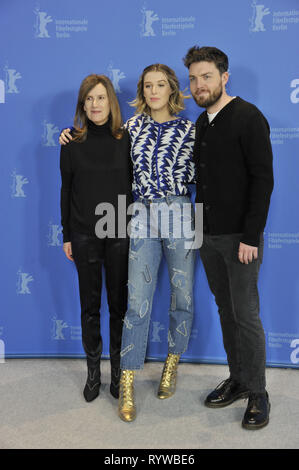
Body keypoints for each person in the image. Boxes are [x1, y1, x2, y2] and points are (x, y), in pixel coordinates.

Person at [60, 64, 196, 423]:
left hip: (180, 211)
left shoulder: (189, 130)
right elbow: (96, 138)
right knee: (136, 300)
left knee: (183, 294)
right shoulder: (130, 129)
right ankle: (128, 380)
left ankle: (172, 361)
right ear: (141, 91)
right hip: (141, 214)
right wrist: (66, 133)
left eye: (161, 85)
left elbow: (207, 172)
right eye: (147, 86)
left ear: (172, 90)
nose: (154, 91)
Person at [183, 46, 274, 430]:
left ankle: (258, 394)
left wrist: (251, 236)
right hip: (209, 236)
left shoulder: (249, 118)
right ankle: (238, 379)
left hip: (241, 238)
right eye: (193, 78)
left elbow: (263, 180)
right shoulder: (204, 121)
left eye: (206, 76)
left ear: (224, 76)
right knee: (226, 311)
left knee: (246, 315)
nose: (199, 84)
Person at [59, 74, 132, 403]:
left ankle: (117, 372)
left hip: (119, 231)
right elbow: (66, 190)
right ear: (82, 105)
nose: (95, 104)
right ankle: (93, 373)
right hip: (84, 233)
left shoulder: (127, 138)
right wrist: (67, 235)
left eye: (100, 97)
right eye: (88, 99)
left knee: (119, 307)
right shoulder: (70, 142)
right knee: (90, 307)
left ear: (110, 101)